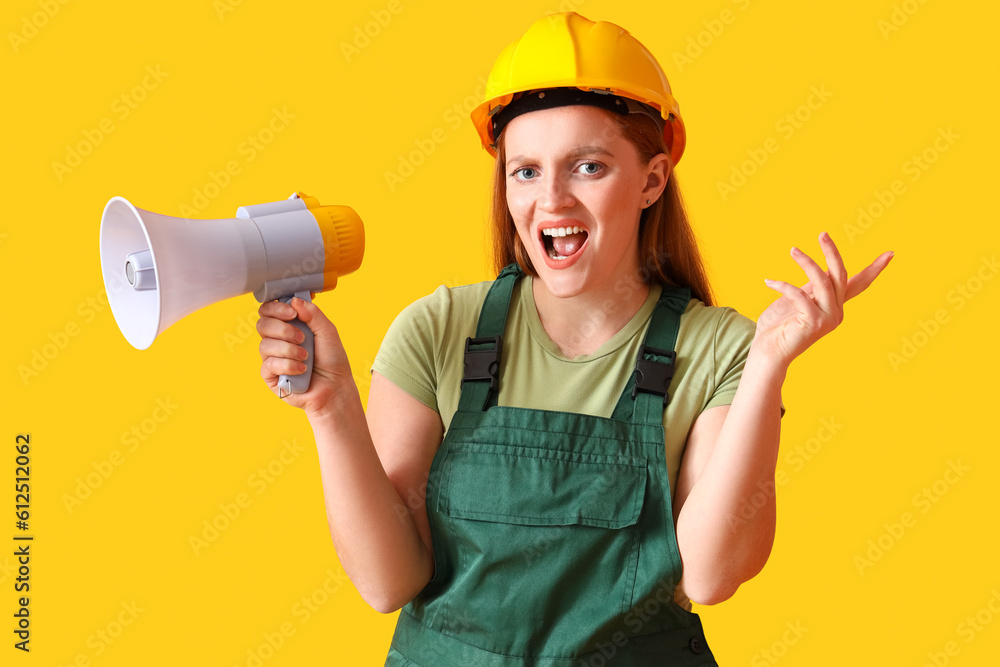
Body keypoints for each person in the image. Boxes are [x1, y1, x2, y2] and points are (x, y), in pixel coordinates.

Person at [256, 12, 891, 666]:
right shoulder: (439, 329)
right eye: (525, 171)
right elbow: (388, 580)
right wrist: (330, 408)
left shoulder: (720, 348)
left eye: (588, 166)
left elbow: (711, 573)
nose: (550, 200)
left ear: (652, 179)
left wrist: (767, 368)